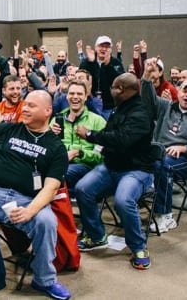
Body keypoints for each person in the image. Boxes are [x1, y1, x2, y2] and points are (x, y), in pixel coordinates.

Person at [0, 90, 72, 300]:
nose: (24, 108)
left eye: (31, 106)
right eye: (25, 105)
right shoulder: (8, 129)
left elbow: (51, 188)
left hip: (27, 200)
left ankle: (45, 279)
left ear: (47, 110)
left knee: (46, 222)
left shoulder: (56, 147)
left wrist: (29, 211)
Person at [75, 73, 155, 270]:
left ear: (121, 89)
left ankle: (138, 247)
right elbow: (110, 135)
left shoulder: (141, 113)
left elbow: (122, 139)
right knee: (82, 189)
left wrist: (90, 135)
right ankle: (96, 236)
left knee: (123, 200)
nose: (109, 90)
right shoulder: (119, 109)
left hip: (136, 170)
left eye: (112, 87)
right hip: (112, 166)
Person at [141, 59, 187, 233]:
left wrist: (184, 148)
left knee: (163, 167)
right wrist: (146, 76)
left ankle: (166, 215)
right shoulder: (166, 107)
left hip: (185, 161)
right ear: (178, 93)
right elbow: (147, 98)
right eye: (184, 91)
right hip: (158, 153)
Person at [51, 80, 107, 195]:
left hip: (86, 166)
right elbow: (45, 148)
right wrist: (49, 136)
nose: (75, 97)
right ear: (66, 96)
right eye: (71, 93)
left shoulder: (97, 121)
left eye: (79, 94)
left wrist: (78, 153)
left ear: (86, 97)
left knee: (56, 174)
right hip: (59, 163)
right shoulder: (56, 120)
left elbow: (101, 155)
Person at [79, 35, 125, 120]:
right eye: (101, 46)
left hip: (109, 106)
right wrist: (91, 64)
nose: (104, 49)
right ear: (96, 48)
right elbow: (80, 79)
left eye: (107, 47)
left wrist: (108, 66)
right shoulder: (88, 61)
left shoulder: (116, 62)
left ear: (111, 49)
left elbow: (120, 81)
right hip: (89, 103)